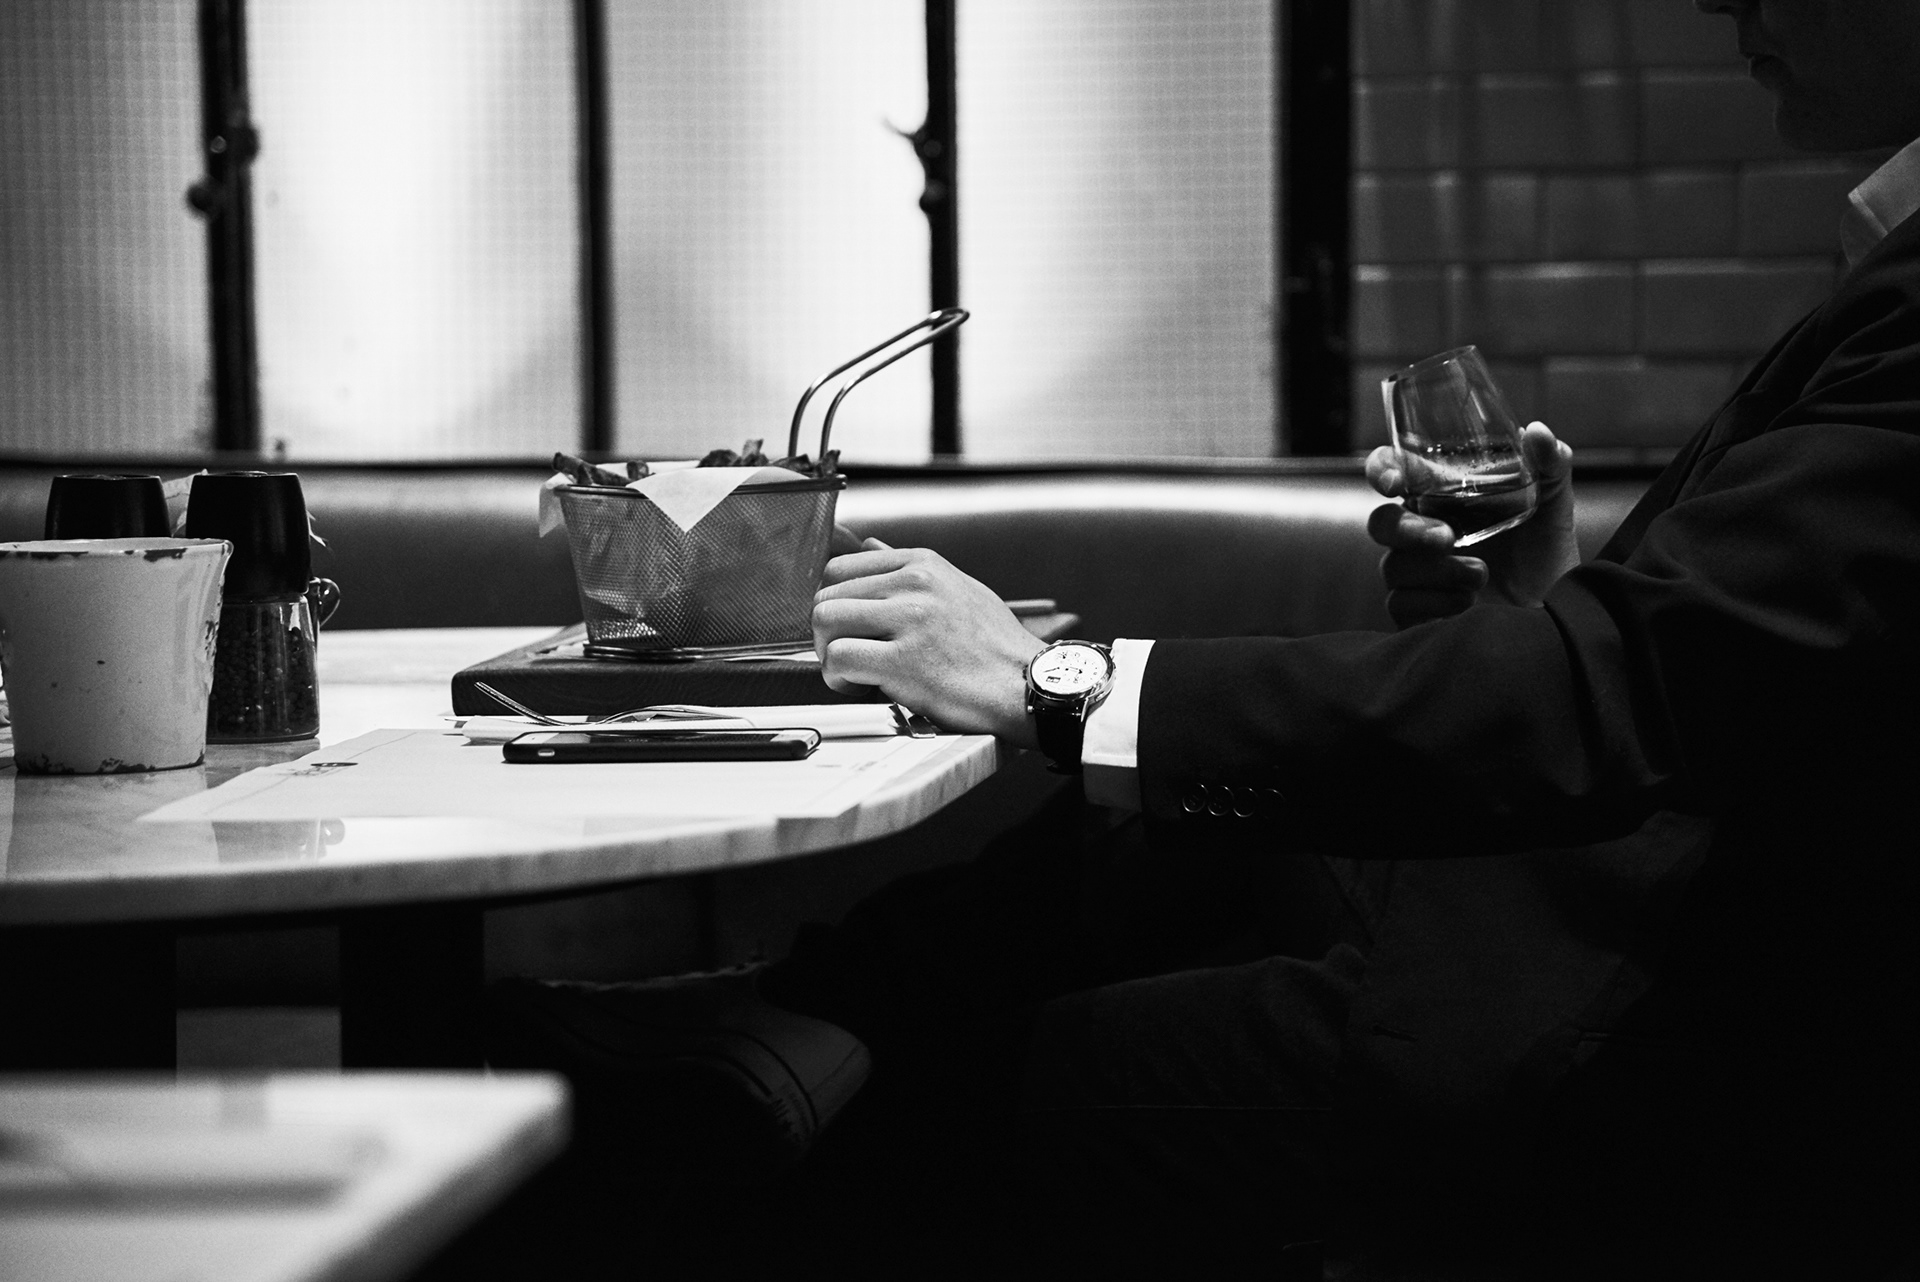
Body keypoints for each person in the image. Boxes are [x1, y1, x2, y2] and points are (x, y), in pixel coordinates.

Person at [490, 1, 1920, 1275]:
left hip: (1652, 1035)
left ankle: (721, 1093)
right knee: (1157, 825)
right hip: (1577, 904)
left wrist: (1050, 683)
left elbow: (1620, 700)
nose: (1723, 1)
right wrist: (1538, 595)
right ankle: (779, 1024)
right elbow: (1740, 675)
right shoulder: (1886, 263)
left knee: (963, 1088)